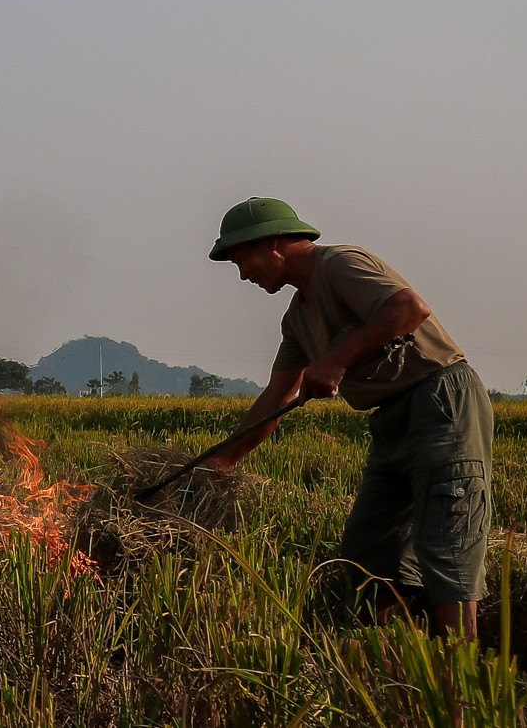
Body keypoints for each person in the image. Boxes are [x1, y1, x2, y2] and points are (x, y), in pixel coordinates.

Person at [206, 197, 492, 638]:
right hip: (390, 419)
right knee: (368, 546)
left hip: (440, 402)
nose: (244, 274)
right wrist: (217, 465)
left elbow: (408, 308)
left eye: (243, 258)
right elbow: (274, 399)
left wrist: (336, 361)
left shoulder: (339, 263)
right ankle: (396, 652)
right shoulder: (298, 318)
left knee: (447, 544)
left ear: (275, 243)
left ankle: (464, 674)